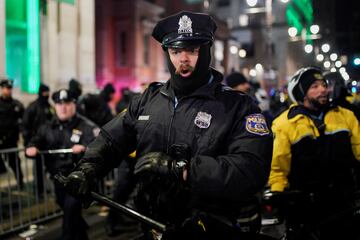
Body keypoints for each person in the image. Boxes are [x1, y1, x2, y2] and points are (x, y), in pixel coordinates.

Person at [57, 11, 273, 240]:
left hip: (208, 229)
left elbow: (250, 169)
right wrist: (88, 169)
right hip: (152, 225)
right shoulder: (148, 99)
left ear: (206, 50)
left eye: (192, 50)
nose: (183, 59)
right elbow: (111, 139)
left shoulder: (238, 106)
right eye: (175, 51)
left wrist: (183, 170)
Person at [268, 67, 360, 239]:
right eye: (314, 86)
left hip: (343, 203)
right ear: (301, 92)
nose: (323, 89)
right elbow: (278, 166)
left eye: (324, 85)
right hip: (304, 208)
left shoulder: (347, 116)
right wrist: (278, 194)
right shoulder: (284, 124)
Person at [25, 89, 99, 240]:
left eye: (67, 103)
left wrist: (85, 148)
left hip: (79, 179)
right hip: (58, 178)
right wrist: (31, 148)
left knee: (70, 212)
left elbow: (99, 146)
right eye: (59, 104)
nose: (63, 107)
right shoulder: (47, 127)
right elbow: (35, 141)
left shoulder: (86, 126)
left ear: (74, 104)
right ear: (55, 106)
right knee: (68, 211)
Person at [23, 83, 54, 197]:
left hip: (48, 144)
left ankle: (47, 188)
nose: (47, 95)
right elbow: (25, 125)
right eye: (45, 92)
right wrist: (29, 143)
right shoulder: (33, 107)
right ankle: (38, 190)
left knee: (51, 167)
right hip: (37, 144)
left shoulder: (49, 107)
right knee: (38, 169)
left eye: (48, 92)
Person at [0, 78, 24, 187]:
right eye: (6, 88)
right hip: (0, 140)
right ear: (2, 89)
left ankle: (20, 183)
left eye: (10, 88)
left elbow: (24, 121)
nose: (9, 90)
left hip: (11, 140)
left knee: (15, 163)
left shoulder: (17, 104)